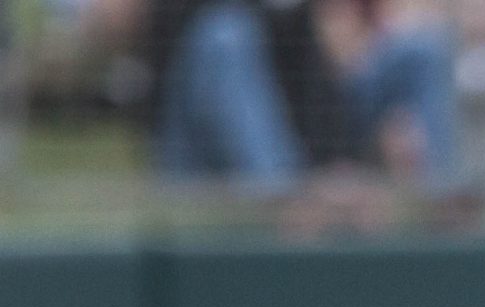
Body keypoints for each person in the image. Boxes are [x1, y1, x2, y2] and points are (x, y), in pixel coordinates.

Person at [142, 0, 464, 196]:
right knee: (227, 34)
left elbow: (318, 79)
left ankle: (442, 205)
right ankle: (285, 205)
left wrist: (341, 165)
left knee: (425, 48)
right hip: (201, 150)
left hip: (302, 141)